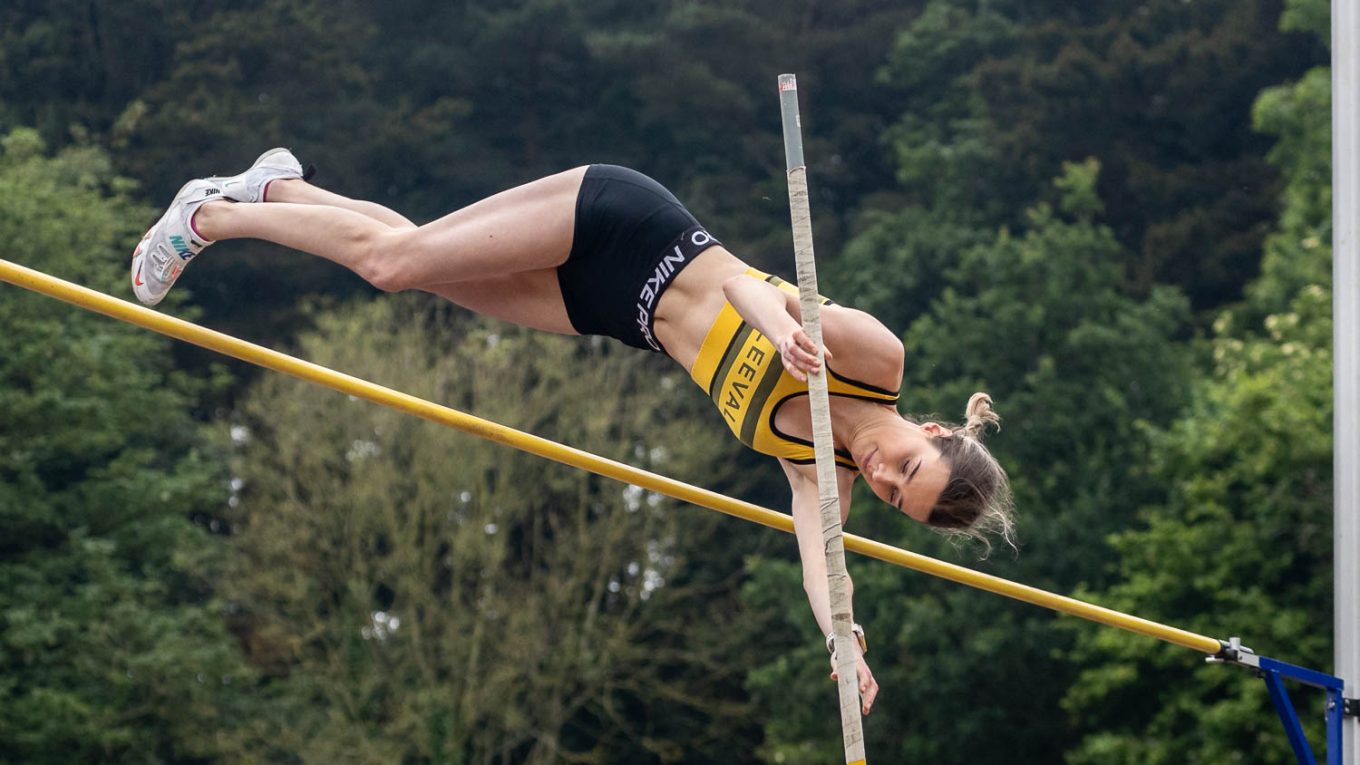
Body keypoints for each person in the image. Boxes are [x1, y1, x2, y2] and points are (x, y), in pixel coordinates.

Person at [132, 150, 1017, 715]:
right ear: (929, 428)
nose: (884, 473)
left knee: (415, 259)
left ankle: (275, 187)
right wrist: (784, 332)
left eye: (896, 494)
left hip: (611, 308)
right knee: (396, 263)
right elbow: (761, 292)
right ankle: (210, 214)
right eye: (905, 464)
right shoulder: (875, 362)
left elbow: (819, 550)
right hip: (635, 229)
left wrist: (842, 633)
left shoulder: (819, 462)